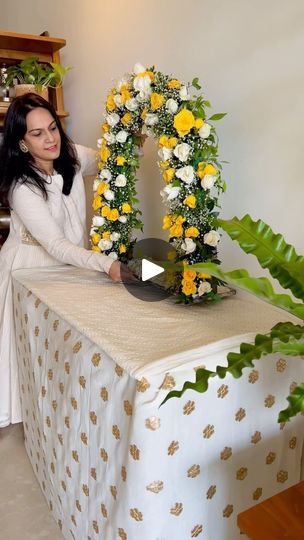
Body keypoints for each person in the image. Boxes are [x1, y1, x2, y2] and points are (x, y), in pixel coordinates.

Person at [0, 93, 134, 428]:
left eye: (52, 128)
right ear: (22, 143)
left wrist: (133, 137)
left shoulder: (70, 155)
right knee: (31, 344)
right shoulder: (21, 187)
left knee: (62, 343)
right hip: (29, 268)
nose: (50, 139)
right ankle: (31, 413)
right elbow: (57, 246)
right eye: (37, 133)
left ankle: (63, 405)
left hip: (69, 263)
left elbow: (111, 158)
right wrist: (106, 264)